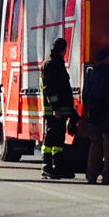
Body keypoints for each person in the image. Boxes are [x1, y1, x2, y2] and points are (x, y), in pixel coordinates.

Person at [83, 49, 109, 185]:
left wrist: (90, 111)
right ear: (105, 59)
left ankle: (91, 175)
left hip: (95, 116)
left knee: (95, 146)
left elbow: (85, 95)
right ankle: (108, 177)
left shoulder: (90, 74)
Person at [40, 38, 78, 179]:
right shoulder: (50, 64)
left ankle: (58, 166)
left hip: (61, 109)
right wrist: (55, 108)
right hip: (53, 110)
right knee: (50, 138)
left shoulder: (57, 63)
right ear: (63, 49)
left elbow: (63, 88)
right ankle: (47, 167)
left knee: (59, 139)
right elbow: (49, 88)